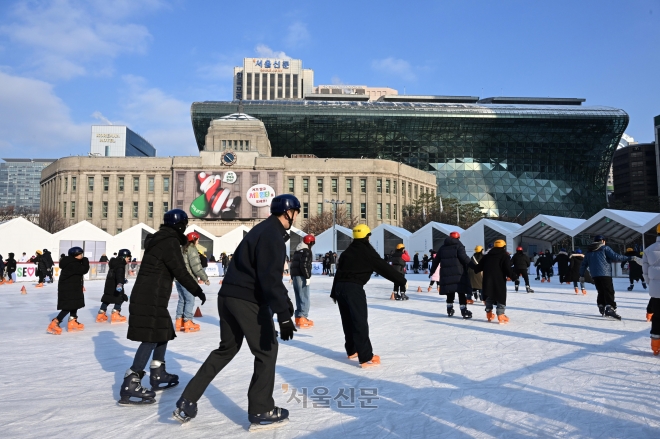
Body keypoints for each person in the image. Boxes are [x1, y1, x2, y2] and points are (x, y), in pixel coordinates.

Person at [173, 195, 299, 430]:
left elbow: (264, 274)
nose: (296, 217)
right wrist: (283, 315)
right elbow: (269, 278)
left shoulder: (260, 230)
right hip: (247, 299)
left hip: (228, 296)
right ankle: (262, 410)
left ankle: (188, 399)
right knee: (267, 351)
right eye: (296, 212)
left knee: (226, 349)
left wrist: (285, 303)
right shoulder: (272, 236)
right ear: (288, 212)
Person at [119, 209, 207, 405]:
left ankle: (158, 372)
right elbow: (180, 271)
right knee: (150, 337)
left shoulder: (161, 239)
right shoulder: (169, 242)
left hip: (151, 294)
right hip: (150, 295)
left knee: (163, 330)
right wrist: (197, 290)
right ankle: (131, 381)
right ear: (180, 225)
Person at [330, 224, 406, 369]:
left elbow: (339, 272)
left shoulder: (347, 252)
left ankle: (352, 350)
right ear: (367, 236)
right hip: (353, 288)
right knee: (359, 321)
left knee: (347, 320)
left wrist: (334, 291)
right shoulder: (367, 251)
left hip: (340, 288)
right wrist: (401, 280)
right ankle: (365, 357)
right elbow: (383, 267)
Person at [579, 235, 635, 320]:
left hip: (595, 275)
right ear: (603, 241)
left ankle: (601, 305)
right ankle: (610, 307)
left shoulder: (589, 251)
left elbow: (584, 264)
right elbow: (616, 257)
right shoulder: (605, 248)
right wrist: (630, 258)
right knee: (609, 291)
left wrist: (581, 275)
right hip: (605, 274)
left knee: (601, 291)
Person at [46, 247, 90, 335]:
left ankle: (72, 321)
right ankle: (55, 322)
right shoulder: (72, 264)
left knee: (75, 304)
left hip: (72, 287)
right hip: (68, 288)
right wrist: (85, 260)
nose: (82, 256)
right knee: (68, 306)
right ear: (75, 255)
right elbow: (84, 269)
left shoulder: (71, 262)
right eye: (80, 254)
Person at [430, 231, 473, 319]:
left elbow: (436, 261)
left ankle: (449, 309)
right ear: (458, 238)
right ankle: (464, 310)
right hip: (459, 273)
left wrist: (432, 271)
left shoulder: (442, 247)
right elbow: (464, 258)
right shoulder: (459, 246)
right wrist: (474, 266)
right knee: (461, 292)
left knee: (450, 291)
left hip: (446, 274)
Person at [473, 240, 517, 323]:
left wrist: (471, 266)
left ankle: (489, 313)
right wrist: (513, 276)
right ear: (504, 246)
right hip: (499, 280)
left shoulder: (487, 256)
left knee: (489, 295)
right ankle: (501, 315)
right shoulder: (504, 256)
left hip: (487, 279)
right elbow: (507, 268)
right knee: (500, 296)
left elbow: (478, 268)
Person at [174, 232, 211, 333]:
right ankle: (188, 321)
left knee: (182, 299)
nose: (198, 241)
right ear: (193, 239)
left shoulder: (181, 248)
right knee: (190, 300)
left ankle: (179, 320)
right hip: (188, 279)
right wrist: (205, 278)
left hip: (178, 279)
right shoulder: (192, 249)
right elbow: (196, 267)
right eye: (198, 239)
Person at [97, 249, 131, 323]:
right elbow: (119, 275)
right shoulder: (121, 265)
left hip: (109, 284)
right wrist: (120, 283)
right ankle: (115, 314)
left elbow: (115, 274)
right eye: (128, 258)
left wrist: (122, 279)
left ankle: (101, 314)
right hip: (116, 284)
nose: (129, 260)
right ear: (124, 257)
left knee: (107, 298)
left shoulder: (114, 263)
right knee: (121, 297)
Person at [642, 225, 660, 354]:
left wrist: (652, 285)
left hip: (656, 291)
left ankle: (655, 346)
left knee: (658, 317)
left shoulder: (648, 250)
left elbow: (645, 273)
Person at [291, 234, 315, 328]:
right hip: (302, 276)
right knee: (304, 296)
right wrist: (307, 276)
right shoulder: (307, 251)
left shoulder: (297, 251)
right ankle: (303, 317)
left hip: (296, 276)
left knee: (298, 296)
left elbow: (293, 265)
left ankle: (298, 317)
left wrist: (292, 276)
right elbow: (304, 265)